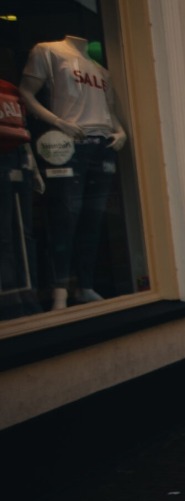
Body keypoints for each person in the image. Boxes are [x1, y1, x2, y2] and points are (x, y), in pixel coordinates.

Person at [19, 35, 127, 310]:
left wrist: (121, 131)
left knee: (93, 217)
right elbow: (27, 93)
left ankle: (85, 285)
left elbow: (108, 109)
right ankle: (59, 290)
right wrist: (58, 122)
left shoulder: (101, 70)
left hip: (102, 145)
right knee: (65, 216)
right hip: (69, 144)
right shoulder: (49, 51)